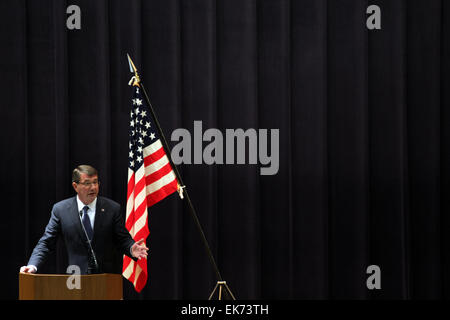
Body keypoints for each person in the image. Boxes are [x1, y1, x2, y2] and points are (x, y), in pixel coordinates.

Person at [20, 165, 148, 274]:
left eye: (95, 182)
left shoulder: (112, 208)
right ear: (75, 186)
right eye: (87, 183)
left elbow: (123, 239)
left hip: (107, 278)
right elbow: (46, 243)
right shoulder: (61, 210)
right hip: (75, 277)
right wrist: (32, 265)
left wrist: (131, 248)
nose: (93, 187)